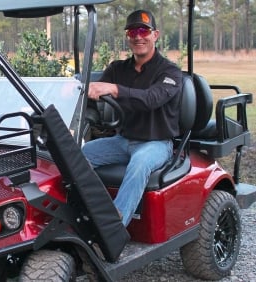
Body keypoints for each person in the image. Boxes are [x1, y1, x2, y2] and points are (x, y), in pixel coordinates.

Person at [83, 9, 183, 226]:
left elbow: (150, 100)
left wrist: (115, 89)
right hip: (122, 141)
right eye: (132, 31)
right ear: (127, 36)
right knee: (77, 155)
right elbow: (91, 98)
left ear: (155, 35)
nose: (138, 36)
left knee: (139, 164)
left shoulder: (170, 73)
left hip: (157, 144)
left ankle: (114, 227)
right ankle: (92, 209)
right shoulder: (118, 69)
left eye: (143, 31)